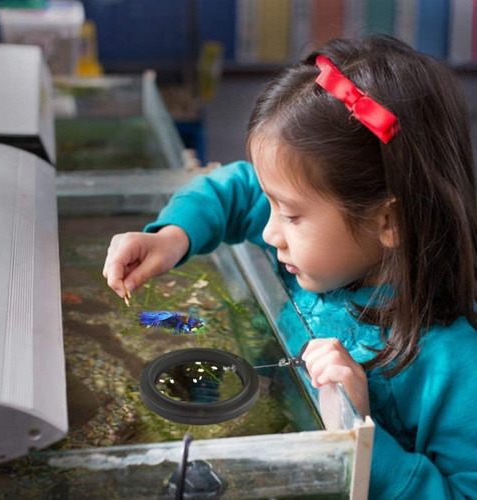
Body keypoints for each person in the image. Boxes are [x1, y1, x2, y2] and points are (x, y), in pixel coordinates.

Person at [103, 35, 477, 498]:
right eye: (272, 205)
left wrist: (361, 435)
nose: (268, 232)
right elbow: (238, 188)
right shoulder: (319, 249)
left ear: (388, 220)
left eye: (292, 215)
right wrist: (172, 237)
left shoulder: (453, 366)